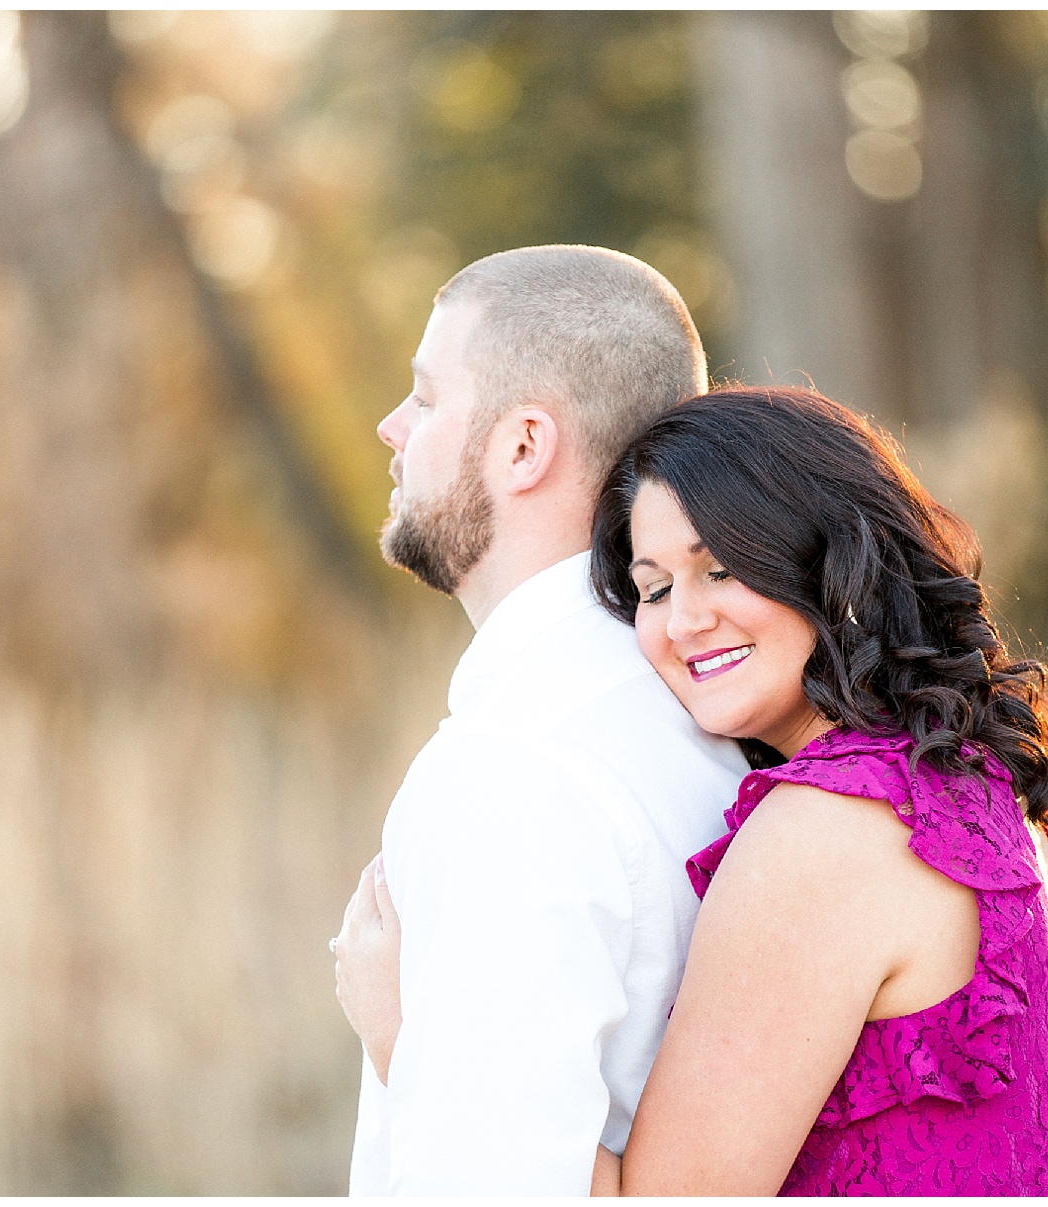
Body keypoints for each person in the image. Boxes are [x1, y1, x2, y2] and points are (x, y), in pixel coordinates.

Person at [341, 386, 1048, 1195]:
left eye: (721, 568)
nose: (684, 622)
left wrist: (413, 1040)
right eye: (654, 587)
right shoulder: (985, 784)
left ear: (831, 563)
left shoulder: (826, 835)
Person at [333, 246, 749, 1195]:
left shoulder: (516, 765)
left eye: (428, 398)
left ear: (524, 445)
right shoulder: (706, 709)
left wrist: (409, 1045)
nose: (392, 427)